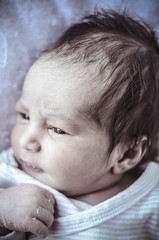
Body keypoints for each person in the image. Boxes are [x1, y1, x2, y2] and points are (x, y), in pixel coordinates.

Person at [0, 9, 159, 240]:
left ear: (127, 154)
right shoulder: (11, 171)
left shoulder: (150, 196)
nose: (26, 141)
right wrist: (4, 212)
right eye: (24, 115)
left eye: (56, 129)